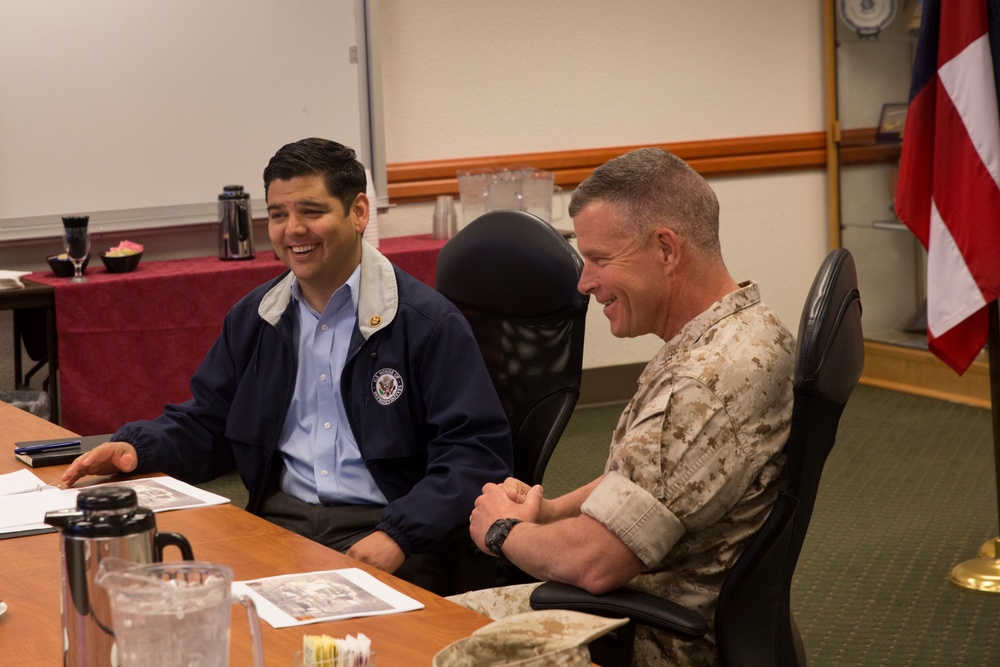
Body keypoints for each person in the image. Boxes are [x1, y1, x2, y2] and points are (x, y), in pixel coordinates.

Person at [62, 137, 513, 594]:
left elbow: (474, 453)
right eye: (278, 215)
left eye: (311, 212)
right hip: (279, 521)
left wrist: (400, 534)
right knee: (182, 606)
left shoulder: (426, 323)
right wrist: (137, 449)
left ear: (359, 212)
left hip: (387, 529)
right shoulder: (256, 318)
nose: (292, 229)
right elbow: (210, 421)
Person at [451, 147, 795, 665]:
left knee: (429, 631)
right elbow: (653, 483)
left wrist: (502, 531)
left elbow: (596, 562)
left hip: (649, 635)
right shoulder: (748, 328)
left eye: (600, 260)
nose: (584, 283)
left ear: (665, 250)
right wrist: (550, 511)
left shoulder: (700, 384)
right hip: (678, 608)